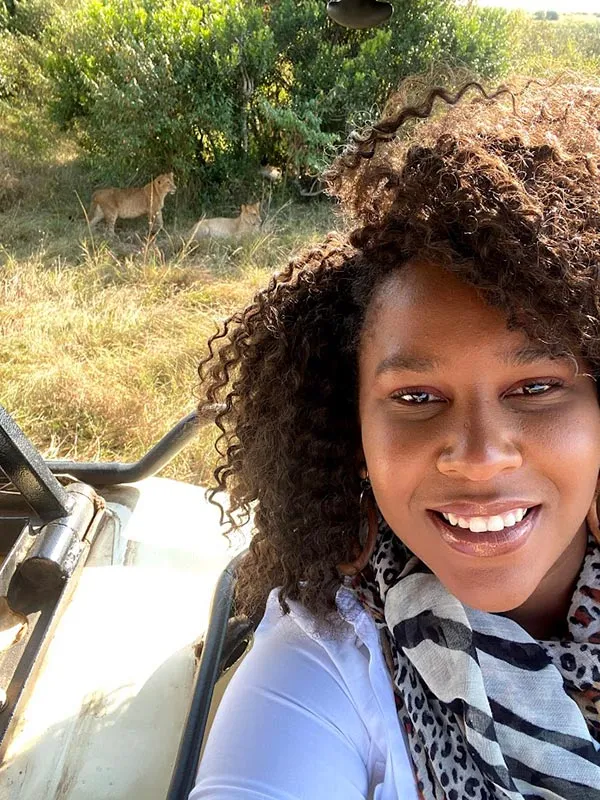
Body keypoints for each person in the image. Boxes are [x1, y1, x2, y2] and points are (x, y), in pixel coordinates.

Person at [190, 78, 600, 799]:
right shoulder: (322, 665)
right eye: (415, 398)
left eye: (536, 387)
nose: (480, 457)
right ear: (354, 433)